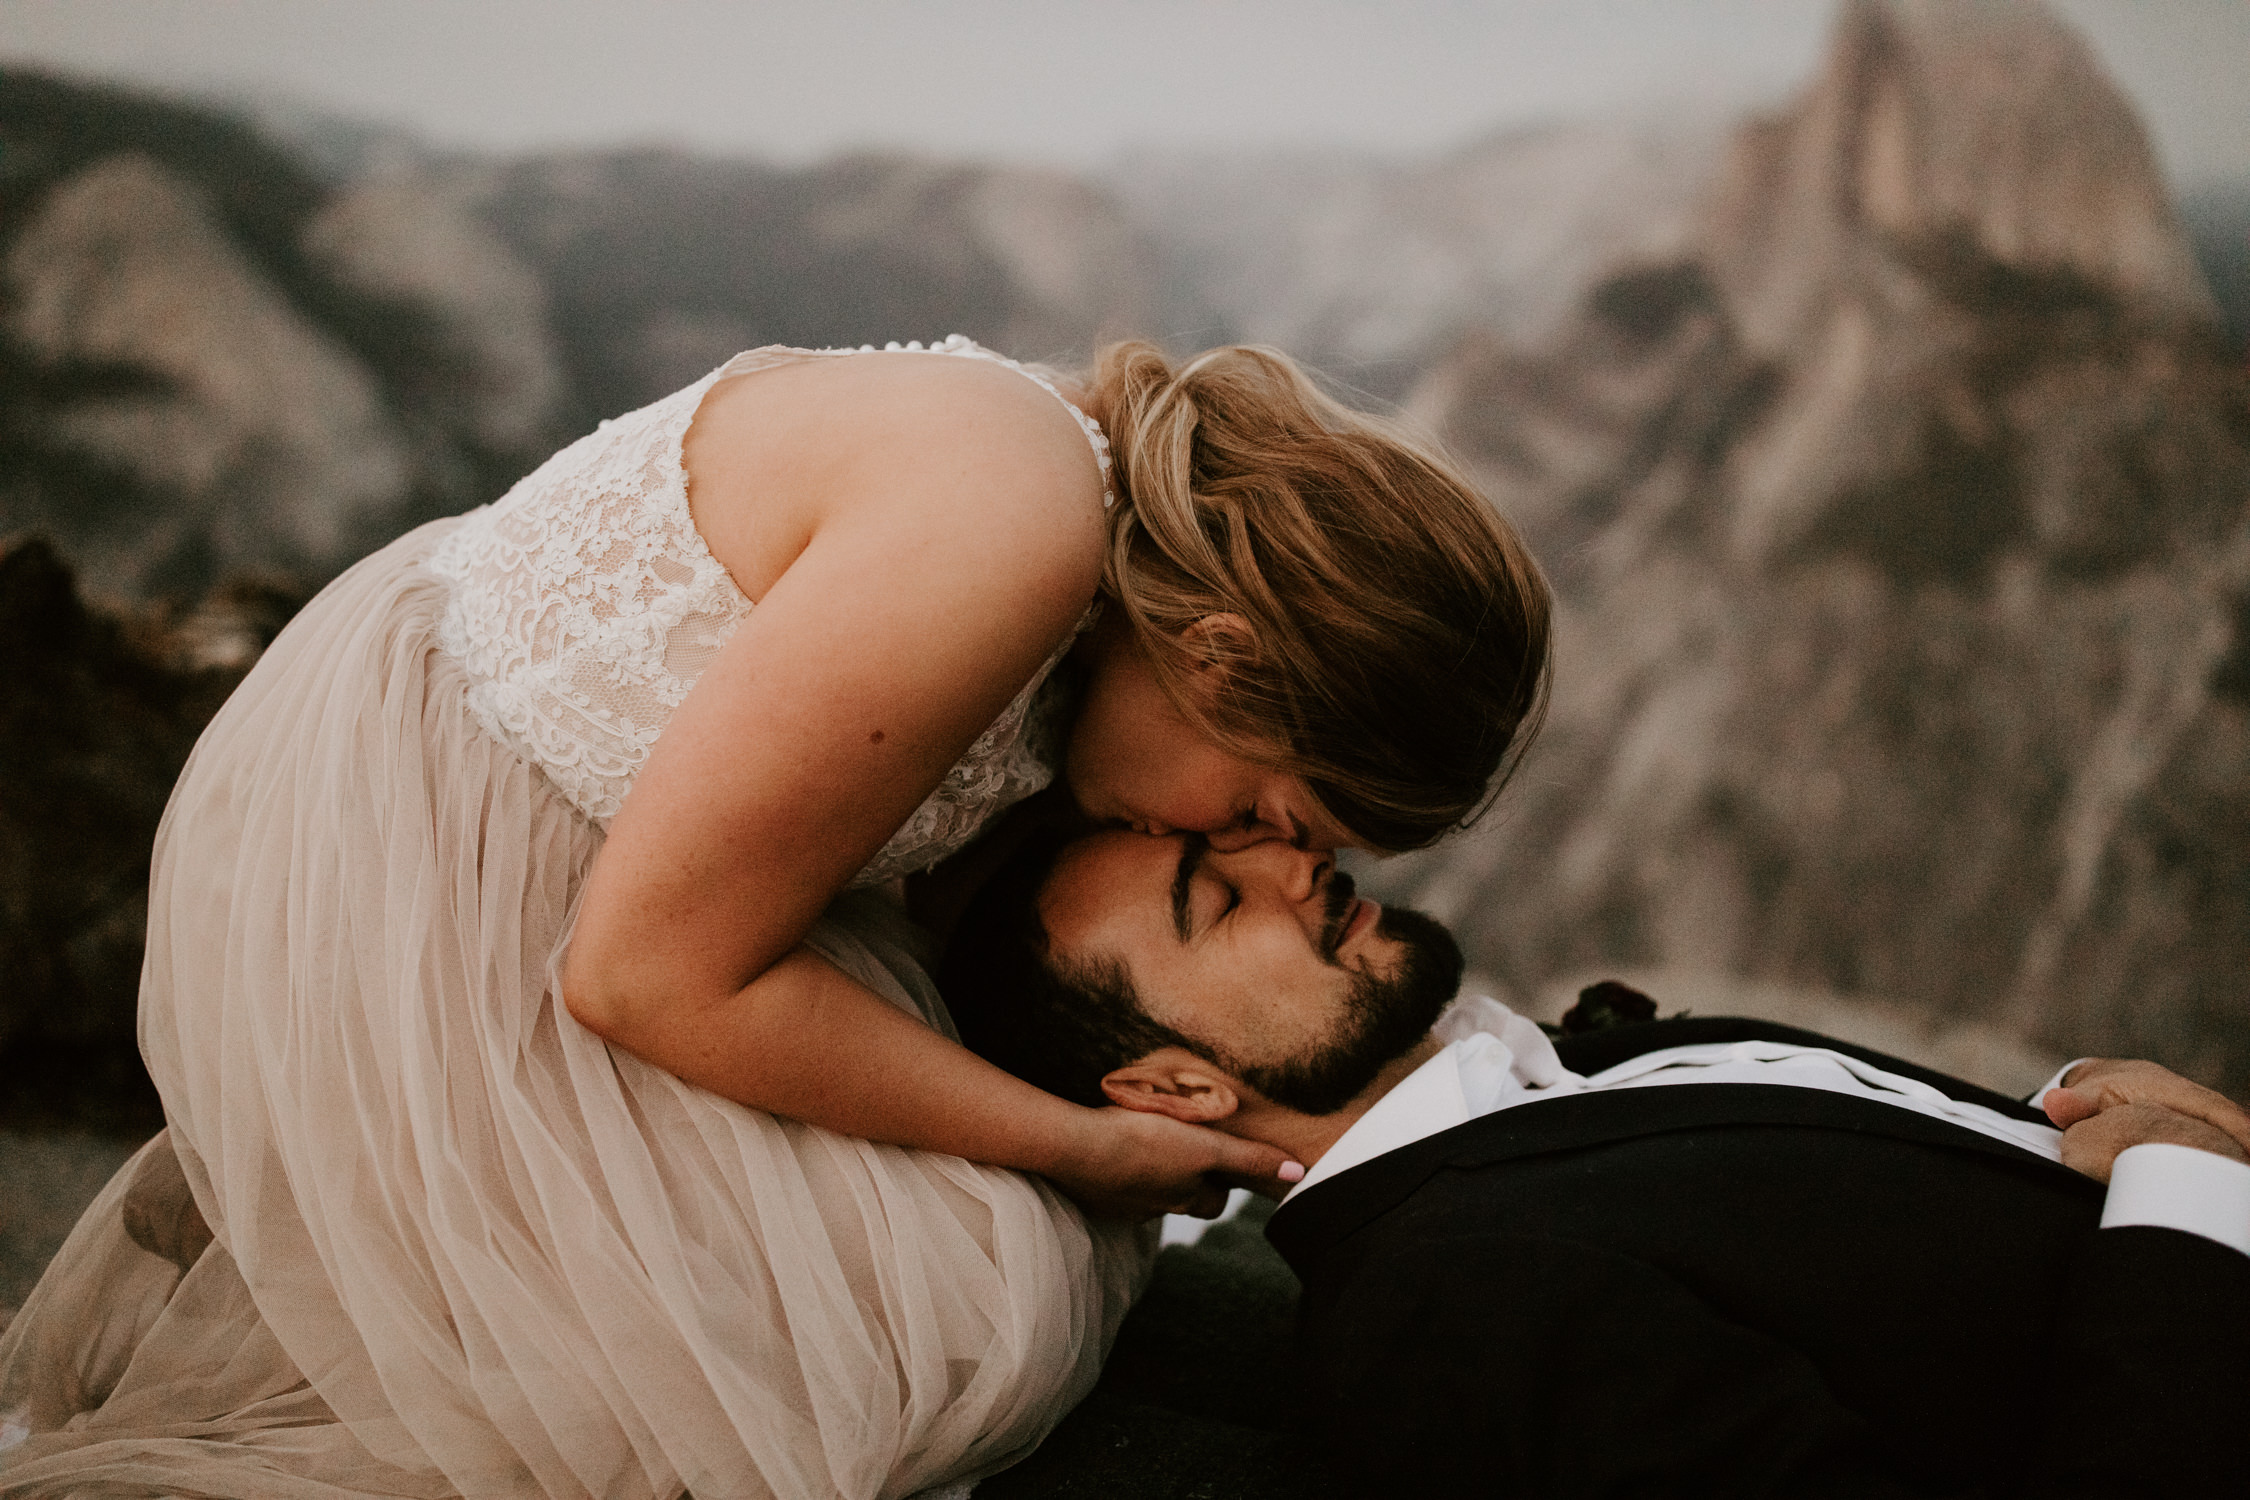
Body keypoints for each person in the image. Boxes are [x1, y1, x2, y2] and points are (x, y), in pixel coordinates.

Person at [0, 336, 1550, 1499]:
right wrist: (1079, 1142)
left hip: (662, 882)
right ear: (1218, 652)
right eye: (1272, 813)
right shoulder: (1008, 523)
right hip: (471, 870)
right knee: (965, 1304)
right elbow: (640, 978)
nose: (1228, 846)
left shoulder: (1077, 549)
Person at [937, 826, 2250, 1498]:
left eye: (1241, 843)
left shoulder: (1560, 1070)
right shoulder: (1447, 1314)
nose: (1292, 863)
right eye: (1214, 904)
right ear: (1175, 1085)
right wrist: (2184, 1196)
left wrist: (2065, 1112)